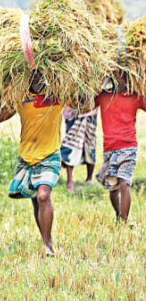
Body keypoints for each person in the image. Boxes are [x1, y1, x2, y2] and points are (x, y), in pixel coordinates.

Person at [0, 73, 61, 256]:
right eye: (33, 76)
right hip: (27, 157)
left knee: (43, 196)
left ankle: (48, 245)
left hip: (50, 154)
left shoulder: (56, 94)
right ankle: (45, 239)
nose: (37, 78)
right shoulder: (21, 97)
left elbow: (84, 106)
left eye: (40, 74)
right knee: (36, 199)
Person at [94, 71, 144, 225]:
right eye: (115, 75)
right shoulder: (103, 96)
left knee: (124, 183)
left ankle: (123, 221)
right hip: (109, 149)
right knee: (113, 187)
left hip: (128, 147)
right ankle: (119, 216)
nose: (118, 78)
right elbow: (84, 107)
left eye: (121, 75)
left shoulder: (135, 96)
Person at [59, 107, 98, 192]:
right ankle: (70, 180)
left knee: (90, 145)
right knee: (71, 145)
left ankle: (89, 179)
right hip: (73, 112)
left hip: (90, 112)